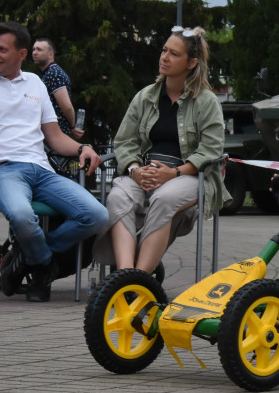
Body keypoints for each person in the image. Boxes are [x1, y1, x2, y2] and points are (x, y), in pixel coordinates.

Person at [0, 21, 106, 302]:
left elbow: (55, 137)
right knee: (23, 217)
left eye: (2, 49)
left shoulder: (35, 83)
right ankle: (42, 265)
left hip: (42, 170)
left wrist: (83, 148)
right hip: (2, 169)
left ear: (22, 54)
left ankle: (29, 257)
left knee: (97, 215)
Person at [92, 26, 228, 274]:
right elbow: (124, 141)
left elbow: (210, 150)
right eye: (164, 50)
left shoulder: (207, 102)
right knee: (118, 197)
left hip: (190, 175)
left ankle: (140, 280)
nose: (164, 57)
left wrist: (173, 173)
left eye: (174, 54)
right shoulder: (145, 97)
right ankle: (124, 275)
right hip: (146, 171)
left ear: (192, 62)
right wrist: (134, 170)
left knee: (164, 198)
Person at [32, 38, 83, 140]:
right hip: (51, 132)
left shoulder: (54, 73)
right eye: (33, 49)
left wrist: (72, 127)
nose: (34, 53)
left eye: (39, 50)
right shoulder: (47, 73)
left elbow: (67, 106)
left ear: (50, 54)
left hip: (57, 133)